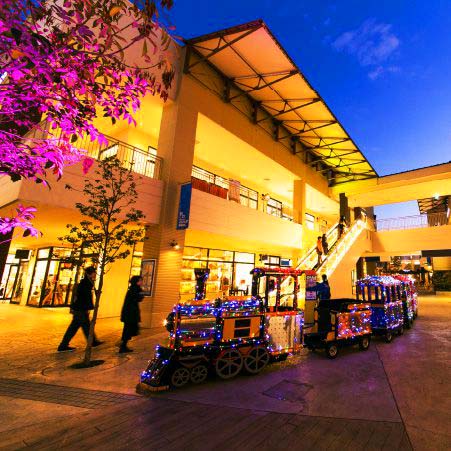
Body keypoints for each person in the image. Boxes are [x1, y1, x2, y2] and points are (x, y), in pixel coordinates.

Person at [57, 266, 103, 352]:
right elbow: (83, 297)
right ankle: (63, 345)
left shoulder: (87, 282)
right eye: (94, 272)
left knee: (80, 327)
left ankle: (92, 341)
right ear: (89, 273)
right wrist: (88, 307)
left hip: (80, 309)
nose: (95, 274)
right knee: (80, 327)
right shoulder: (85, 283)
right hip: (80, 309)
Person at [119, 275, 144, 353]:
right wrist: (141, 293)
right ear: (136, 281)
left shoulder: (133, 288)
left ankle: (123, 345)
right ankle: (123, 346)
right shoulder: (134, 289)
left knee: (128, 329)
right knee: (128, 330)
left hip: (129, 313)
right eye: (140, 280)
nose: (141, 282)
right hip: (130, 313)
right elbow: (138, 299)